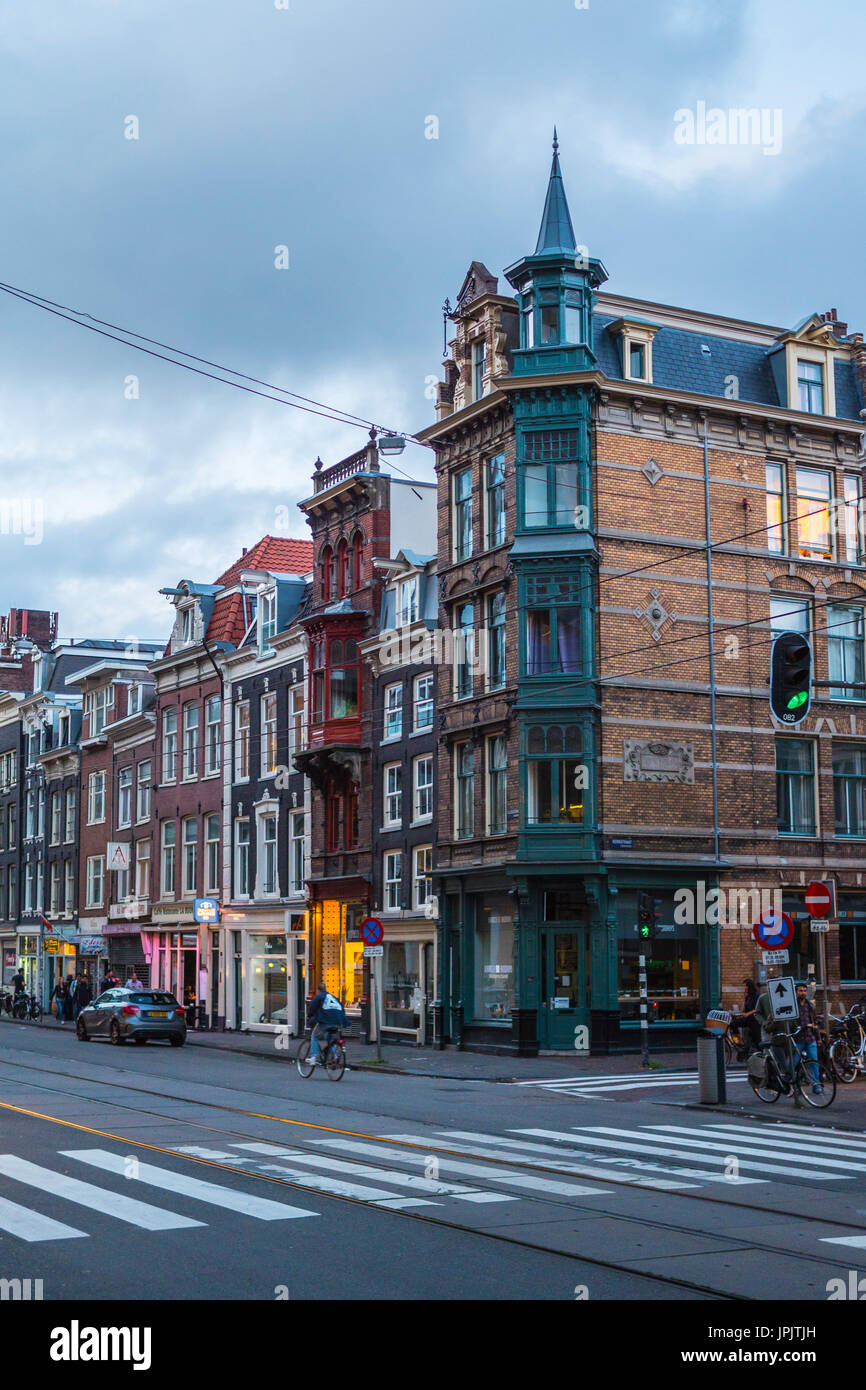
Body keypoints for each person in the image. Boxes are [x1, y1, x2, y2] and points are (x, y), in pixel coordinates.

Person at [792, 981, 823, 1095]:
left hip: (810, 1038)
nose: (803, 993)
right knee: (793, 1064)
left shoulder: (810, 1006)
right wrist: (804, 1026)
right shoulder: (793, 1006)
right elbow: (791, 1024)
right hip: (797, 1039)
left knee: (814, 1063)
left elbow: (814, 1023)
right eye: (800, 991)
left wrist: (818, 1037)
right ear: (796, 992)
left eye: (805, 991)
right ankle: (795, 1087)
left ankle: (816, 1086)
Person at [307, 983, 346, 1064]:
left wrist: (309, 1016)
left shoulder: (319, 996)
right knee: (330, 1038)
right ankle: (334, 1056)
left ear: (318, 990)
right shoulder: (333, 997)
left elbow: (312, 1009)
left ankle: (313, 1058)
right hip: (338, 1021)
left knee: (314, 1036)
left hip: (326, 1021)